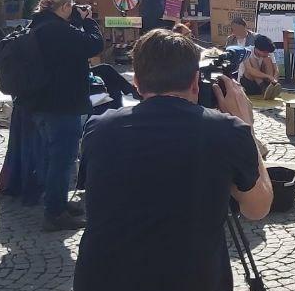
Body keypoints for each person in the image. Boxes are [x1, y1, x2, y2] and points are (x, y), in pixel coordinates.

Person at [74, 29, 273, 290]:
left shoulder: (99, 129)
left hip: (104, 278)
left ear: (136, 81)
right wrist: (246, 126)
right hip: (191, 278)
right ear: (194, 82)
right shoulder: (224, 132)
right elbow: (257, 208)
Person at [15, 0, 104, 231]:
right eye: (71, 7)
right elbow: (93, 45)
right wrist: (89, 22)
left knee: (50, 156)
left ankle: (56, 201)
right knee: (63, 159)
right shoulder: (59, 30)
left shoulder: (37, 24)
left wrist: (75, 19)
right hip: (62, 105)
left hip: (40, 103)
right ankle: (55, 213)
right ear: (64, 6)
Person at [239, 34, 282, 100]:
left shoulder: (268, 53)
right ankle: (263, 87)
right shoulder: (246, 51)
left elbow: (276, 69)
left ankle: (269, 86)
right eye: (264, 52)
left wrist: (274, 80)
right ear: (256, 48)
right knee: (253, 60)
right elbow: (249, 70)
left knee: (267, 59)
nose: (267, 54)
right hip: (248, 83)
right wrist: (268, 76)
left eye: (268, 52)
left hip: (265, 82)